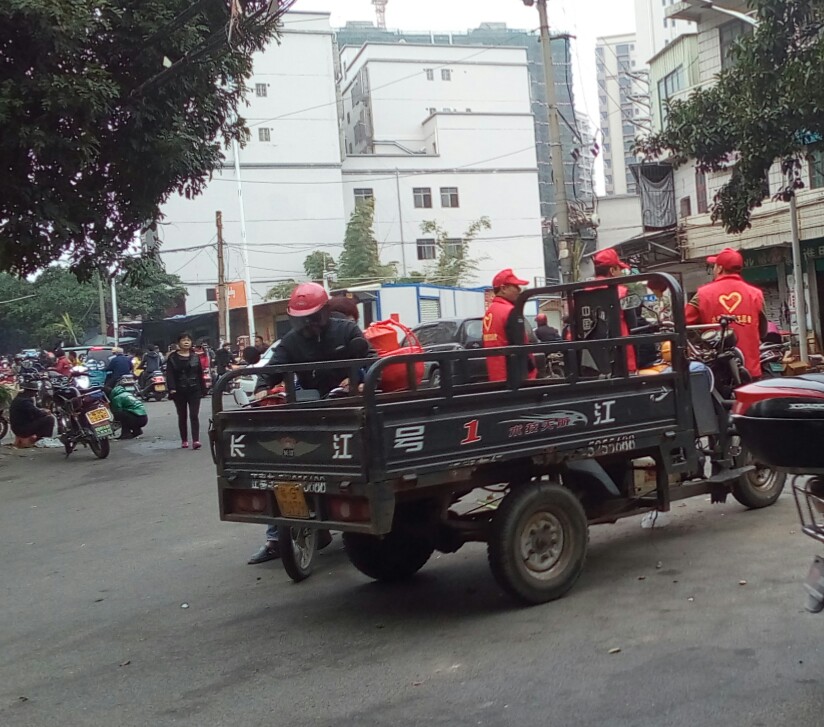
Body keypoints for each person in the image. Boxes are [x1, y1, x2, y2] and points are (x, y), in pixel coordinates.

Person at [248, 282, 374, 565]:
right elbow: (272, 369)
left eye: (314, 317)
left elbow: (371, 359)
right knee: (282, 467)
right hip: (309, 408)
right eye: (302, 319)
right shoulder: (291, 341)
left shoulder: (347, 330)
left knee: (351, 471)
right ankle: (275, 538)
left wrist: (359, 381)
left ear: (326, 312)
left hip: (346, 407)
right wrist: (262, 388)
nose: (309, 324)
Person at [685, 247, 766, 381]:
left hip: (717, 372)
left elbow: (683, 323)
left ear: (720, 268)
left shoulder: (702, 295)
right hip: (750, 370)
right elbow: (763, 332)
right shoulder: (756, 294)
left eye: (714, 265)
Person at [482, 268, 537, 382]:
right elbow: (520, 345)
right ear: (503, 288)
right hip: (515, 377)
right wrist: (531, 372)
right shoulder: (510, 311)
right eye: (515, 286)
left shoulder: (490, 311)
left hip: (497, 376)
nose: (519, 289)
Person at [590, 247, 638, 373]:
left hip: (590, 360)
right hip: (621, 357)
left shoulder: (582, 293)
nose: (621, 273)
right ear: (612, 270)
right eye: (619, 269)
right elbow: (633, 325)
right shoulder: (622, 292)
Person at [165, 332, 207, 449]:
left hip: (194, 389)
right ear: (178, 343)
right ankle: (184, 440)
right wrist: (172, 388)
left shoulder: (195, 356)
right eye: (183, 340)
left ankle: (196, 440)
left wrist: (203, 389)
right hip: (179, 391)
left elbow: (200, 374)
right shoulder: (172, 358)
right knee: (182, 415)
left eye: (188, 340)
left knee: (194, 415)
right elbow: (170, 374)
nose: (186, 342)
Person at [9, 382, 56, 447]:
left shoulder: (19, 398)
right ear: (30, 391)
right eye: (35, 392)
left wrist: (41, 411)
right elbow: (37, 413)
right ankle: (43, 440)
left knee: (42, 419)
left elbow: (33, 411)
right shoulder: (25, 402)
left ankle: (39, 438)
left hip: (18, 427)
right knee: (49, 419)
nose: (36, 394)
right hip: (22, 429)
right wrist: (45, 412)